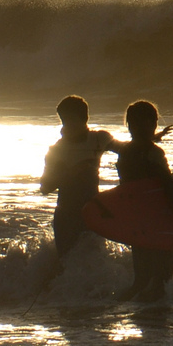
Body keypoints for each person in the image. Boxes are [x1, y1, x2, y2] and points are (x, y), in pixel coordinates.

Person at [114, 99, 173, 302]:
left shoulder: (125, 153)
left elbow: (141, 180)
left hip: (136, 221)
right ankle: (156, 326)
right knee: (161, 281)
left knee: (140, 280)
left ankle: (117, 307)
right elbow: (169, 190)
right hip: (160, 221)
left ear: (128, 125)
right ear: (153, 124)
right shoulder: (154, 154)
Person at [38, 95, 122, 278]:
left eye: (70, 119)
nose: (66, 125)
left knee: (94, 261)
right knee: (66, 264)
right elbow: (44, 188)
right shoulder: (56, 150)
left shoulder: (99, 139)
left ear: (84, 118)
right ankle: (63, 300)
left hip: (92, 211)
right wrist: (69, 174)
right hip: (66, 214)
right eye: (63, 120)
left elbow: (127, 150)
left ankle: (89, 301)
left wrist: (149, 139)